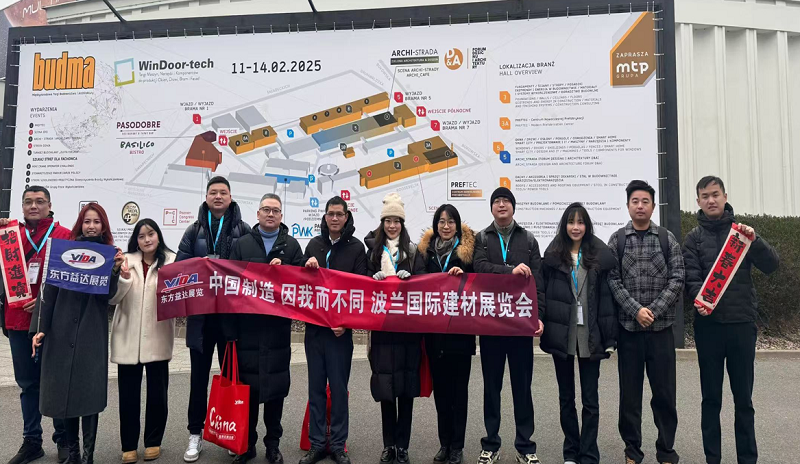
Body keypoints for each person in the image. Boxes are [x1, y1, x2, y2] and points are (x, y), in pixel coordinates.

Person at [682, 176, 779, 464]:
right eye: (705, 196)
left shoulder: (742, 235)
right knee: (711, 399)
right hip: (708, 328)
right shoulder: (693, 239)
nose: (711, 200)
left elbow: (771, 265)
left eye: (715, 194)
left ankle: (747, 459)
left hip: (742, 326)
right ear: (698, 201)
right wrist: (700, 299)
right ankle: (713, 458)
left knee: (744, 401)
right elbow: (691, 278)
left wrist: (756, 240)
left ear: (725, 197)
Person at [32, 203, 124, 464]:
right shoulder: (63, 251)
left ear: (104, 226)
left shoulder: (109, 255)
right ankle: (72, 453)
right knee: (66, 395)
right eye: (87, 221)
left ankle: (87, 455)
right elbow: (48, 291)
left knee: (89, 394)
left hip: (91, 333)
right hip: (60, 331)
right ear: (80, 225)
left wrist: (114, 270)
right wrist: (39, 329)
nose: (91, 226)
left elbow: (108, 296)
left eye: (96, 222)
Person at [607, 180, 685, 464]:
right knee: (630, 396)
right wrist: (635, 311)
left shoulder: (666, 238)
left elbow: (678, 278)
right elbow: (613, 280)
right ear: (628, 205)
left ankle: (666, 450)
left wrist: (652, 311)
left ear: (653, 206)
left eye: (645, 201)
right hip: (629, 331)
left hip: (661, 331)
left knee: (664, 393)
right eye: (635, 201)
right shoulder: (617, 240)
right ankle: (632, 451)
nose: (640, 206)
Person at [177, 176, 251, 463]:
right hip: (201, 319)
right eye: (213, 192)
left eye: (223, 192)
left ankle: (230, 432)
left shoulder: (243, 230)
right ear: (206, 197)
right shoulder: (194, 230)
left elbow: (251, 270)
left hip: (231, 318)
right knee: (198, 379)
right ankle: (195, 433)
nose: (218, 196)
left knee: (231, 378)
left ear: (230, 197)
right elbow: (180, 266)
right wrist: (199, 266)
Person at [227, 194, 304, 464]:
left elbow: (302, 285)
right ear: (258, 214)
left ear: (281, 216)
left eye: (275, 211)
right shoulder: (241, 244)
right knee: (247, 393)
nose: (270, 214)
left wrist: (286, 271)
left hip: (277, 331)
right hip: (247, 330)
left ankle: (273, 445)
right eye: (266, 210)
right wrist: (230, 331)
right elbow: (229, 286)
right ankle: (247, 445)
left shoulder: (291, 246)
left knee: (275, 392)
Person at [540, 202, 618, 464]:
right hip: (562, 332)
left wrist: (609, 337)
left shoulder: (598, 256)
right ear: (564, 225)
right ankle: (571, 452)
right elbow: (543, 294)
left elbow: (606, 301)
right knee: (566, 398)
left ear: (587, 226)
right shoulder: (553, 256)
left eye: (581, 222)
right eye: (571, 222)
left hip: (590, 335)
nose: (576, 227)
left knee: (590, 399)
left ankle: (589, 453)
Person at [472, 187, 545, 464]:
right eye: (497, 201)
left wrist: (539, 316)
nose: (501, 205)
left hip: (519, 327)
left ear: (513, 206)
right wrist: (509, 271)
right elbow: (479, 268)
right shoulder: (482, 238)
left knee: (522, 388)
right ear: (491, 208)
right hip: (491, 325)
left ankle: (525, 446)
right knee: (491, 388)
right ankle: (491, 444)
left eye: (506, 201)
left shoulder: (528, 239)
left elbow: (538, 282)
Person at [0, 186, 70, 464]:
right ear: (22, 206)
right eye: (28, 201)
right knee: (28, 384)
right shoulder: (9, 235)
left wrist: (43, 301)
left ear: (49, 205)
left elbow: (71, 279)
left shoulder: (64, 235)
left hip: (53, 322)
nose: (33, 206)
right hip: (18, 320)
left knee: (56, 382)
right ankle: (32, 441)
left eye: (40, 201)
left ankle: (63, 438)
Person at [300, 196, 367, 464]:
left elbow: (361, 289)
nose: (335, 218)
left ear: (347, 217)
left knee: (339, 391)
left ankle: (338, 445)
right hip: (315, 331)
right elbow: (300, 285)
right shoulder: (314, 245)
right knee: (316, 389)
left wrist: (347, 322)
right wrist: (307, 266)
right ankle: (317, 443)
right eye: (331, 214)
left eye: (340, 214)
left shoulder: (356, 248)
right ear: (325, 216)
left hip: (340, 332)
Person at [364, 192, 426, 464]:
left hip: (408, 331)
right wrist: (372, 278)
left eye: (396, 221)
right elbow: (361, 284)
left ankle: (403, 446)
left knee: (406, 389)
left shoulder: (412, 252)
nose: (392, 225)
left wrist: (412, 278)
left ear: (402, 223)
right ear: (382, 223)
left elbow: (425, 282)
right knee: (386, 388)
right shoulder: (373, 252)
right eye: (387, 221)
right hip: (382, 330)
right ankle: (388, 444)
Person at [109, 219, 176, 463]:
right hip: (127, 337)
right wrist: (124, 278)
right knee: (128, 396)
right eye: (141, 236)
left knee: (158, 394)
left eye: (151, 234)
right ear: (135, 240)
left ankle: (153, 441)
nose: (147, 239)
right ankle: (128, 445)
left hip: (158, 335)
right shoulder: (125, 260)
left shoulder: (173, 261)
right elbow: (113, 299)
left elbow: (178, 299)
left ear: (158, 236)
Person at [418, 204, 476, 464]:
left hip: (460, 335)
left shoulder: (467, 253)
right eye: (441, 221)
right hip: (435, 335)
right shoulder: (426, 253)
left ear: (457, 225)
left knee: (459, 394)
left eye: (451, 221)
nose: (446, 226)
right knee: (441, 394)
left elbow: (480, 283)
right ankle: (444, 443)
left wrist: (465, 276)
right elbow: (419, 283)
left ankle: (457, 446)